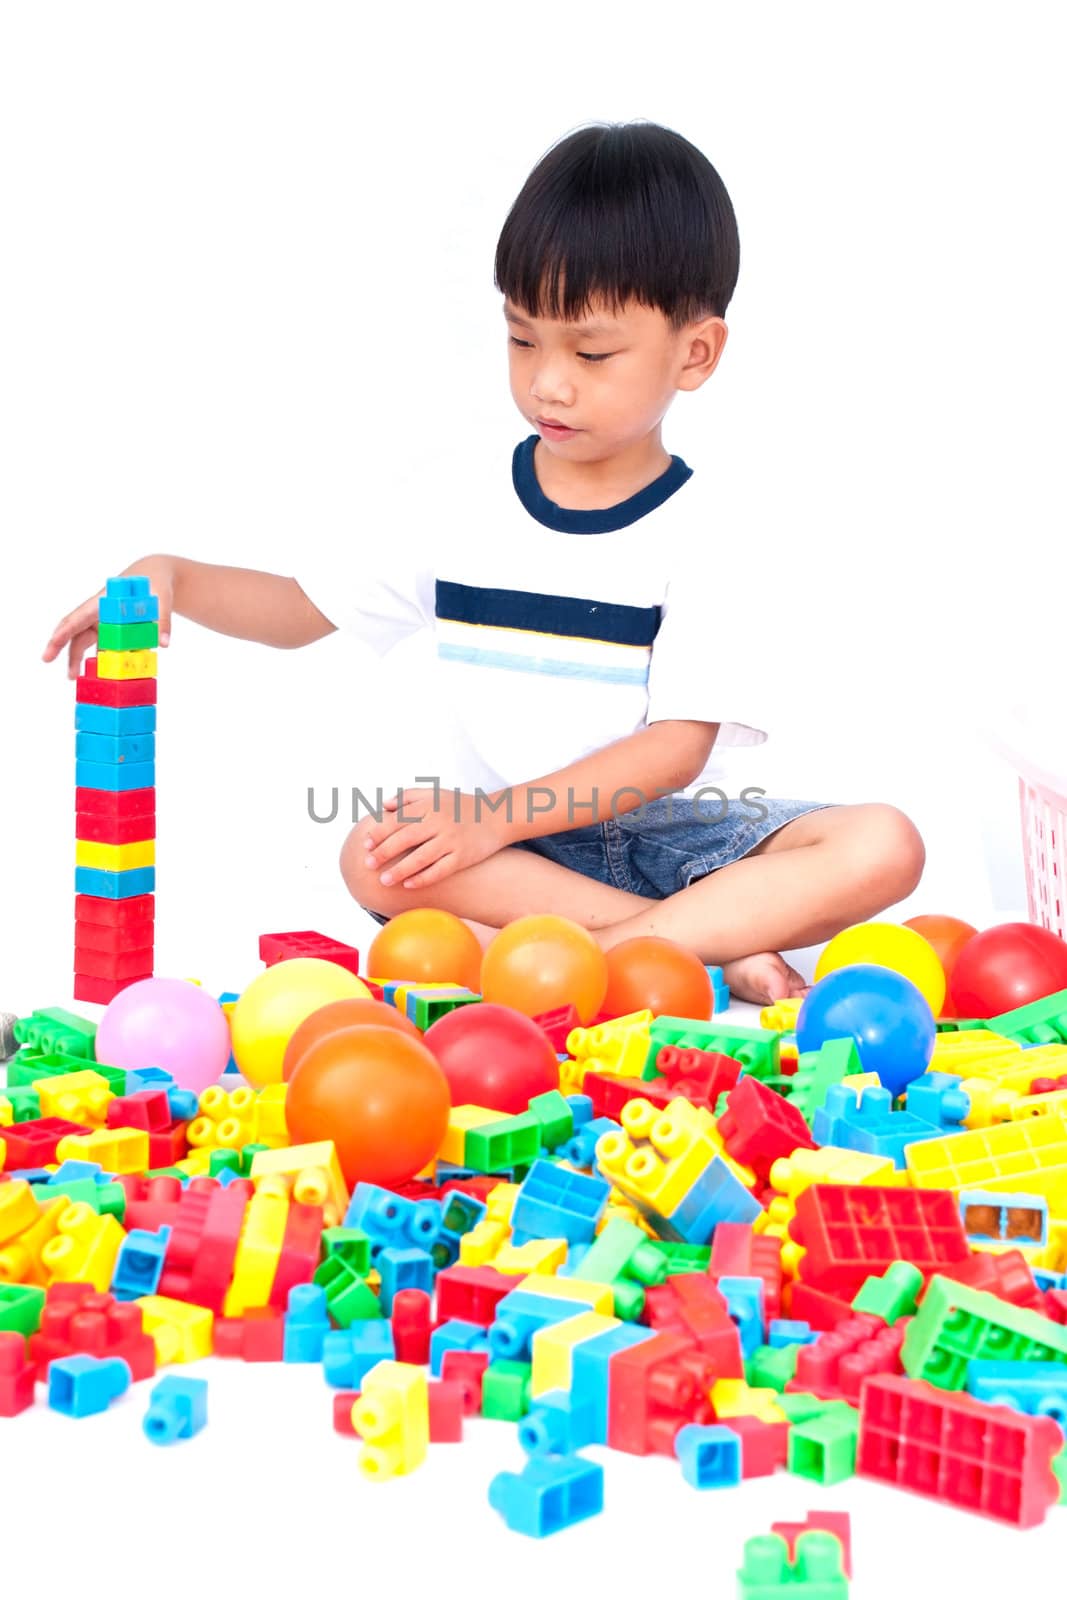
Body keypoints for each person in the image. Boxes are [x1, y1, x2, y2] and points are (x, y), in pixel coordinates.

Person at [44, 120, 924, 1004]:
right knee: (372, 857)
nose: (547, 381)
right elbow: (302, 612)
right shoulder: (457, 502)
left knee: (883, 843)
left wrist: (490, 820)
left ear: (693, 353)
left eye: (590, 353)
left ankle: (625, 949)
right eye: (521, 339)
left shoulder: (710, 529)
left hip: (686, 842)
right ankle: (701, 946)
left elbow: (672, 752)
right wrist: (178, 576)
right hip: (519, 857)